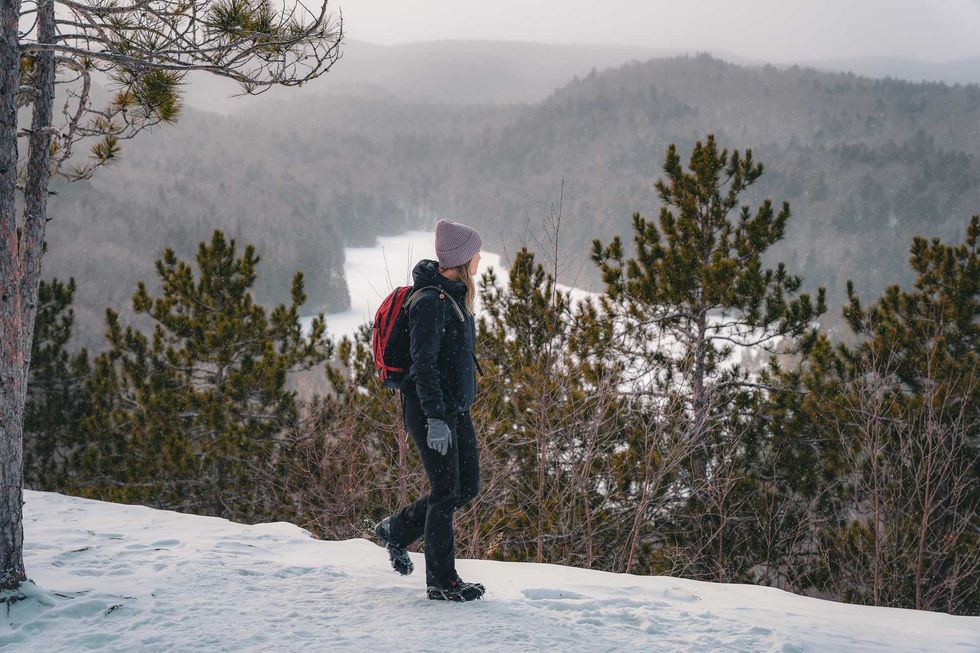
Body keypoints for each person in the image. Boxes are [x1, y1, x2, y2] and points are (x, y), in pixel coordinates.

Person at [373, 218, 486, 602]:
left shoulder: (451, 296)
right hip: (430, 413)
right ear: (461, 259)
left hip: (454, 410)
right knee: (445, 492)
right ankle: (441, 580)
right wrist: (436, 418)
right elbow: (423, 367)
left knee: (466, 487)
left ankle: (397, 531)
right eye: (475, 255)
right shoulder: (429, 303)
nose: (479, 260)